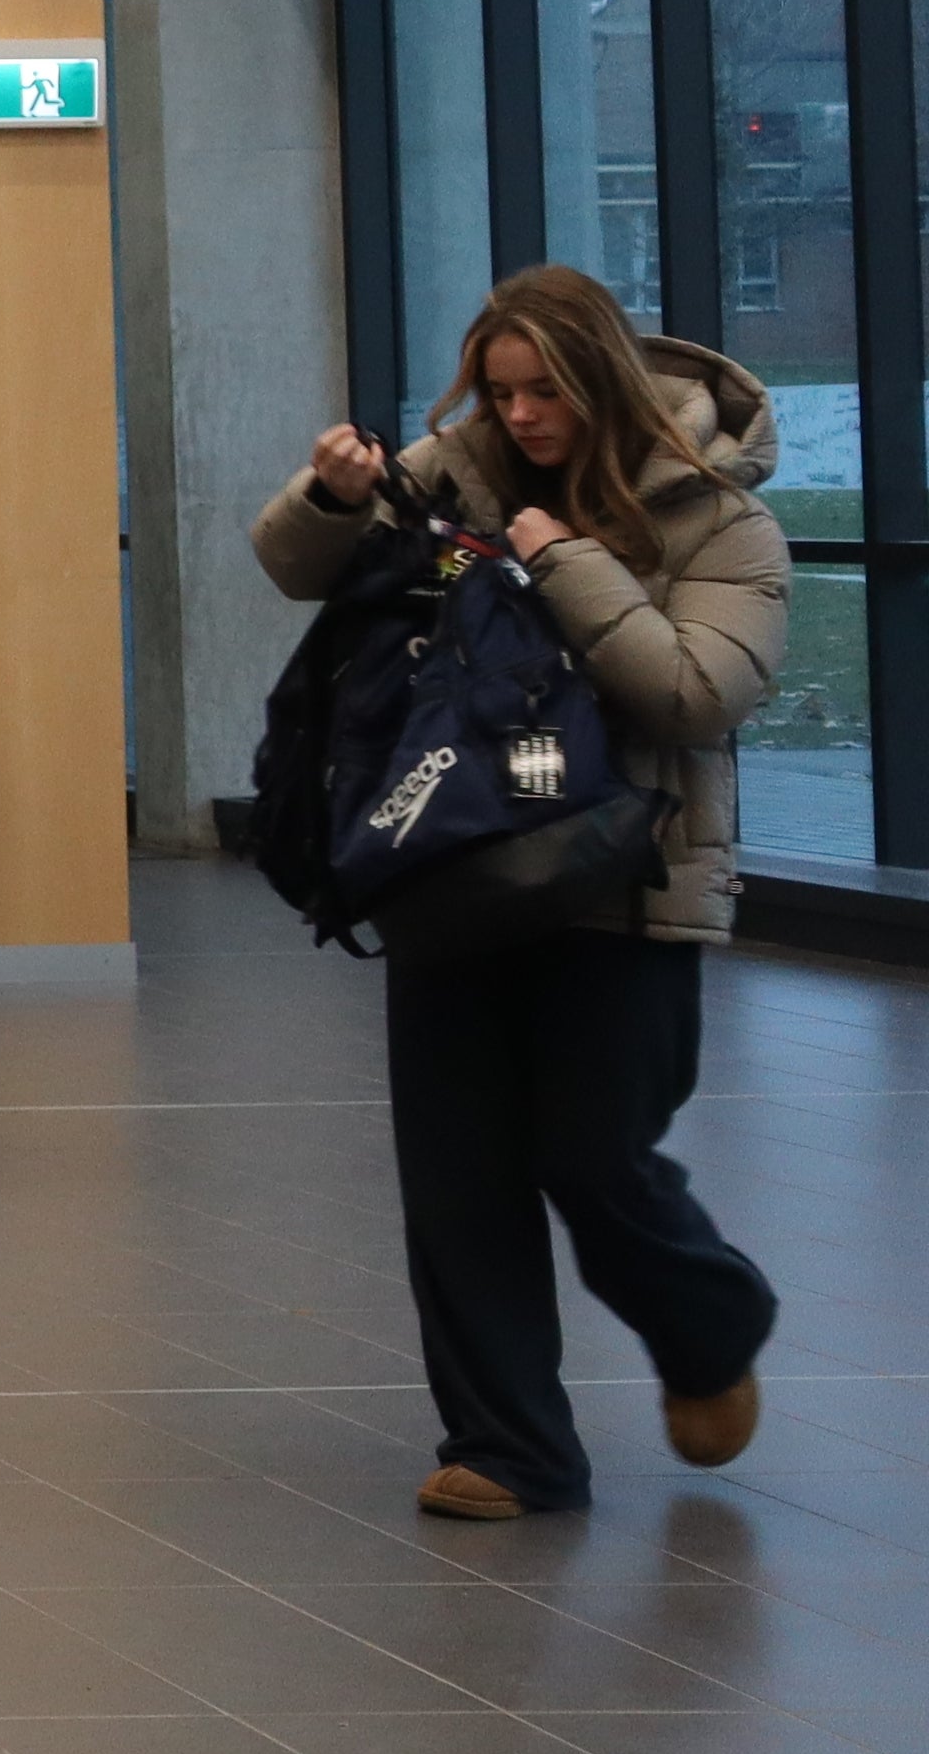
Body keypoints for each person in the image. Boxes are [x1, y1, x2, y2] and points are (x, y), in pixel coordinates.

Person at [257, 265, 785, 1521]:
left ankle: (711, 1322)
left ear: (601, 381)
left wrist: (565, 561)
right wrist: (327, 498)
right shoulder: (449, 477)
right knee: (457, 1179)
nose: (522, 415)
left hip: (625, 883)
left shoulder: (719, 519)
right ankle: (511, 1447)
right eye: (500, 391)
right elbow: (297, 569)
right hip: (450, 869)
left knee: (597, 1162)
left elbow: (696, 693)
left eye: (546, 390)